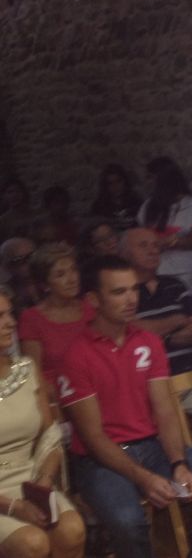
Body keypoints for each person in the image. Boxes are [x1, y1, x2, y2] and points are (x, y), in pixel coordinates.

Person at [58, 255, 192, 558]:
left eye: (133, 289)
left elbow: (164, 410)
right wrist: (143, 477)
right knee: (129, 521)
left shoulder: (148, 342)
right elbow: (93, 438)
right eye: (118, 292)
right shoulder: (77, 353)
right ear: (93, 300)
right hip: (100, 461)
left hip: (151, 448)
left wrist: (178, 463)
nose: (131, 299)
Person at [0, 285, 86, 558]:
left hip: (31, 479)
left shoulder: (26, 369)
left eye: (10, 314)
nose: (10, 323)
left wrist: (45, 481)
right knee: (31, 543)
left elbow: (50, 436)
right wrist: (13, 507)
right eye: (0, 316)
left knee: (72, 530)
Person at [121, 228, 192, 375]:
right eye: (143, 245)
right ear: (124, 253)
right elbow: (130, 331)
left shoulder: (174, 284)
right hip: (147, 381)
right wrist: (177, 321)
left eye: (156, 245)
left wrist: (164, 338)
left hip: (191, 374)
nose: (153, 251)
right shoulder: (122, 291)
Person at [19, 243, 94, 391]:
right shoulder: (31, 319)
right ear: (45, 285)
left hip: (97, 388)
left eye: (73, 270)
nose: (72, 279)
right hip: (57, 398)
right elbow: (34, 375)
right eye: (61, 274)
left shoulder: (91, 307)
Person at [137, 158, 192, 293]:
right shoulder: (148, 206)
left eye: (151, 177)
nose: (148, 182)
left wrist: (176, 241)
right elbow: (140, 236)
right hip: (156, 269)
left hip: (184, 270)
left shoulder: (191, 206)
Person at [90, 164, 142, 232]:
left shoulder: (136, 202)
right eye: (110, 183)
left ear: (125, 181)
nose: (115, 186)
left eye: (118, 181)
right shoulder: (99, 206)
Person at [0, 237, 40, 317]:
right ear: (7, 266)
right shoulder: (5, 294)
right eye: (20, 260)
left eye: (33, 256)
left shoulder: (51, 283)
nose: (30, 262)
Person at [0, 179, 37, 244]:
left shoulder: (35, 214)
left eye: (18, 191)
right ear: (4, 196)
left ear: (24, 193)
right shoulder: (3, 220)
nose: (14, 195)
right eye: (10, 192)